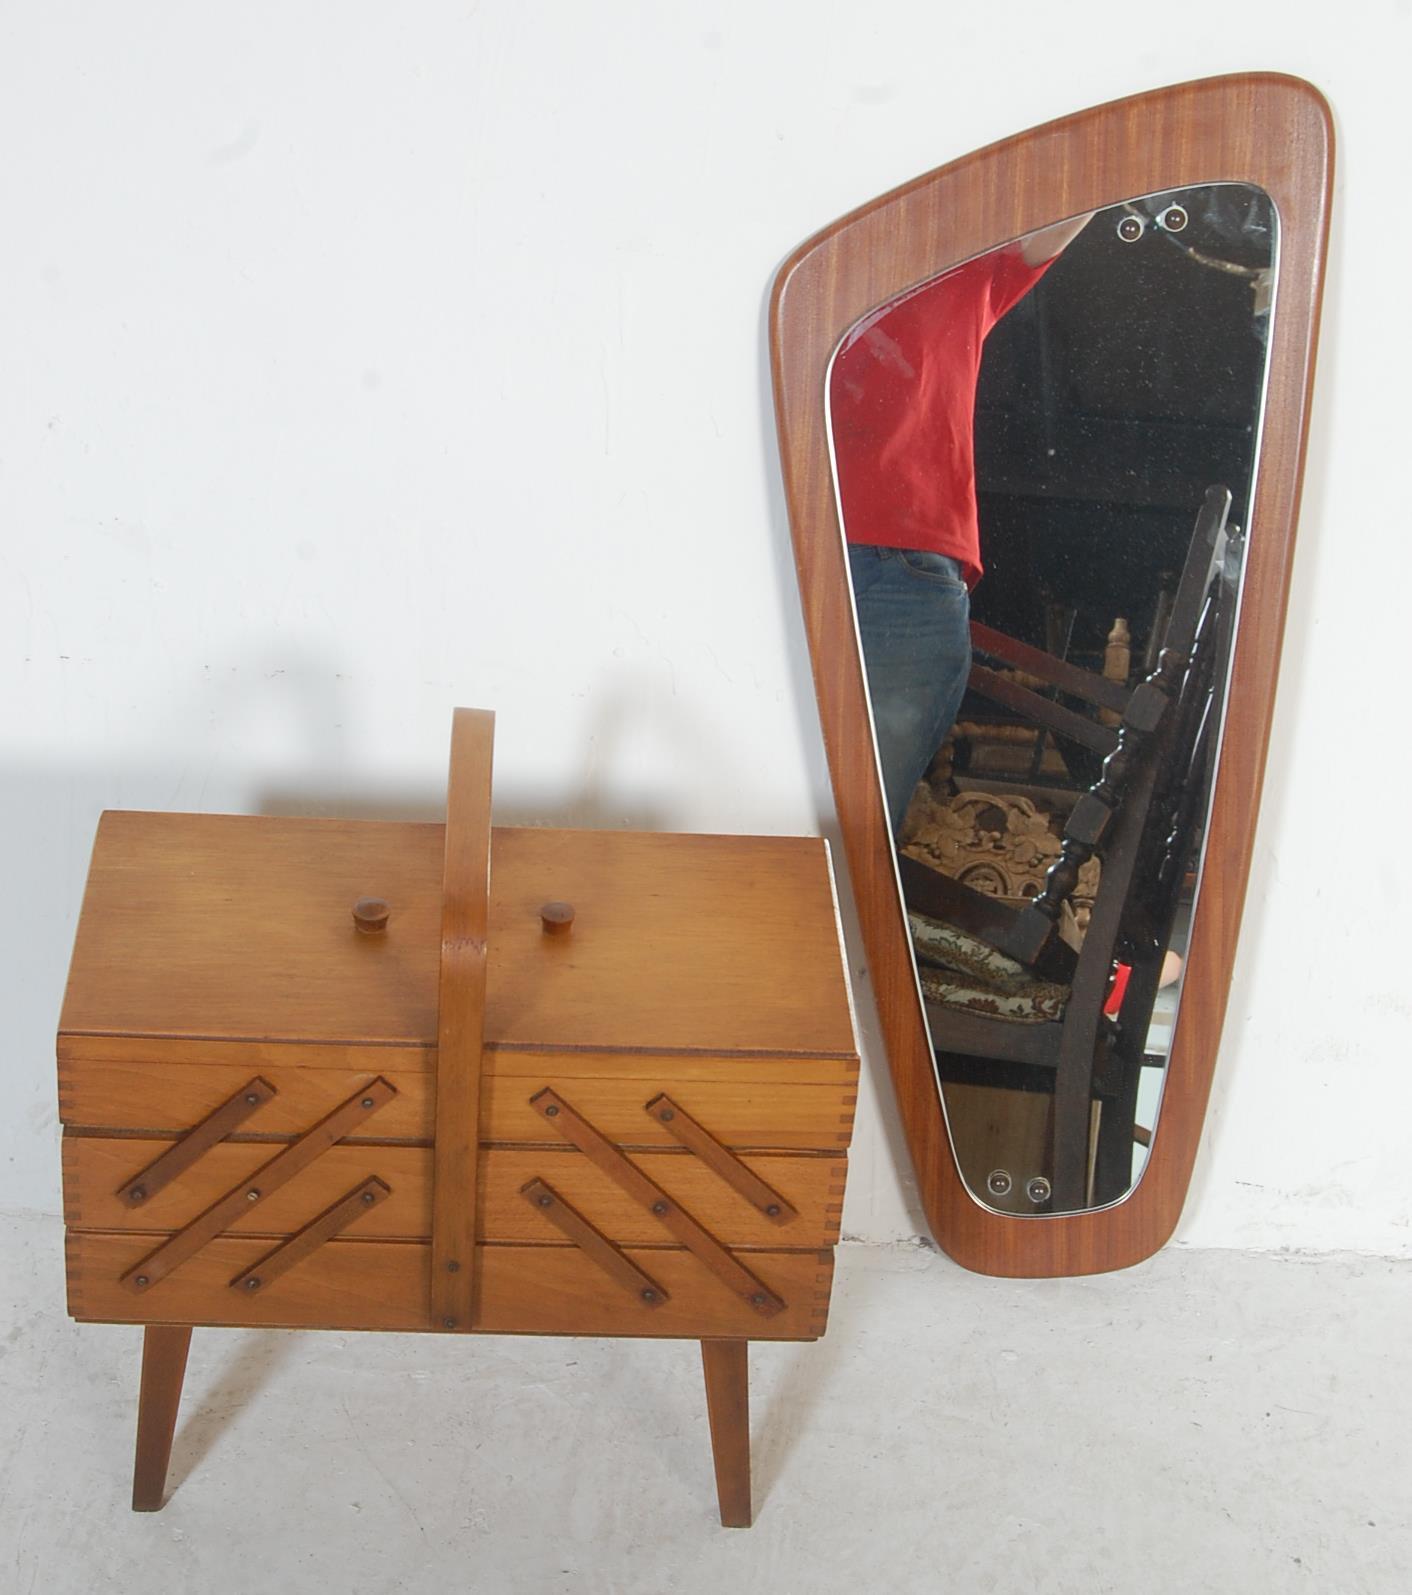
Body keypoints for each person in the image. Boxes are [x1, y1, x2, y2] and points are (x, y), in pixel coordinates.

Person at [831, 215, 1091, 834]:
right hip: (773, 550)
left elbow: (1089, 180)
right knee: (745, 819)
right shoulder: (799, 244)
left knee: (856, 842)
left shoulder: (969, 244)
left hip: (907, 575)